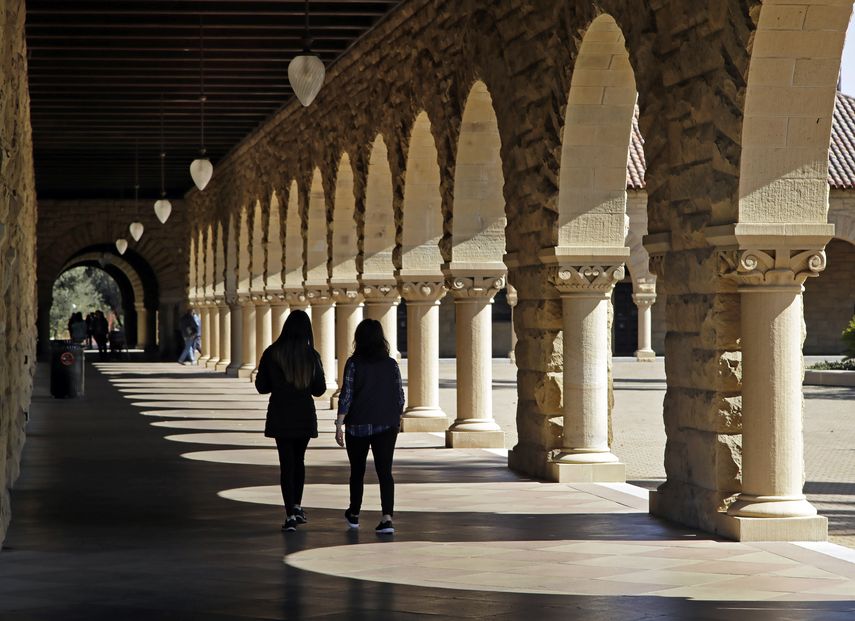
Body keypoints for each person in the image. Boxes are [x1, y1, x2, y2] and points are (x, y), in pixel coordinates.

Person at [255, 310, 326, 532]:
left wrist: (278, 383)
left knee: (286, 464)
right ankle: (297, 505)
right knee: (299, 460)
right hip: (303, 414)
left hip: (281, 414)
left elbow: (261, 386)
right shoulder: (311, 355)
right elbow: (319, 389)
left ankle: (290, 515)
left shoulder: (272, 353)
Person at [335, 318, 405, 535]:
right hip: (386, 424)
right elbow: (400, 396)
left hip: (358, 425)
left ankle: (354, 513)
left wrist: (339, 424)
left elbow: (347, 395)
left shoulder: (353, 363)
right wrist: (394, 417)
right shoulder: (391, 364)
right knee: (385, 472)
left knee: (357, 471)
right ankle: (387, 518)